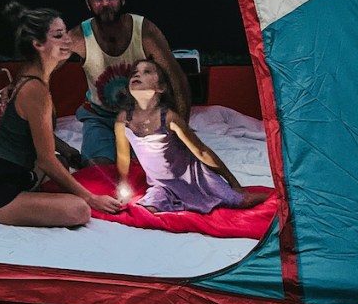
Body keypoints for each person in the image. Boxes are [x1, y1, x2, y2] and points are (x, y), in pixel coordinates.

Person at [0, 2, 124, 226]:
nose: (68, 40)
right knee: (79, 210)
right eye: (59, 35)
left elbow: (39, 135)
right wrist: (91, 198)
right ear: (38, 45)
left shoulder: (33, 76)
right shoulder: (36, 90)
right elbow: (45, 161)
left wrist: (70, 152)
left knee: (63, 161)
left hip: (10, 172)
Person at [67, 0, 191, 165]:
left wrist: (182, 133)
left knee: (152, 169)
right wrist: (19, 86)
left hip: (143, 114)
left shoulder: (144, 31)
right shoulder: (79, 36)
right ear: (88, 4)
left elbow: (177, 79)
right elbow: (44, 68)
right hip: (100, 117)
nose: (105, 3)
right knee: (98, 173)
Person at [114, 58, 266, 213]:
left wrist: (233, 183)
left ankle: (275, 198)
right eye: (134, 73)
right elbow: (123, 157)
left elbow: (201, 151)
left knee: (241, 201)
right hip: (163, 186)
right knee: (146, 210)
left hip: (196, 179)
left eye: (146, 72)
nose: (137, 75)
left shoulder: (169, 118)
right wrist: (122, 184)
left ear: (161, 87)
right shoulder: (123, 120)